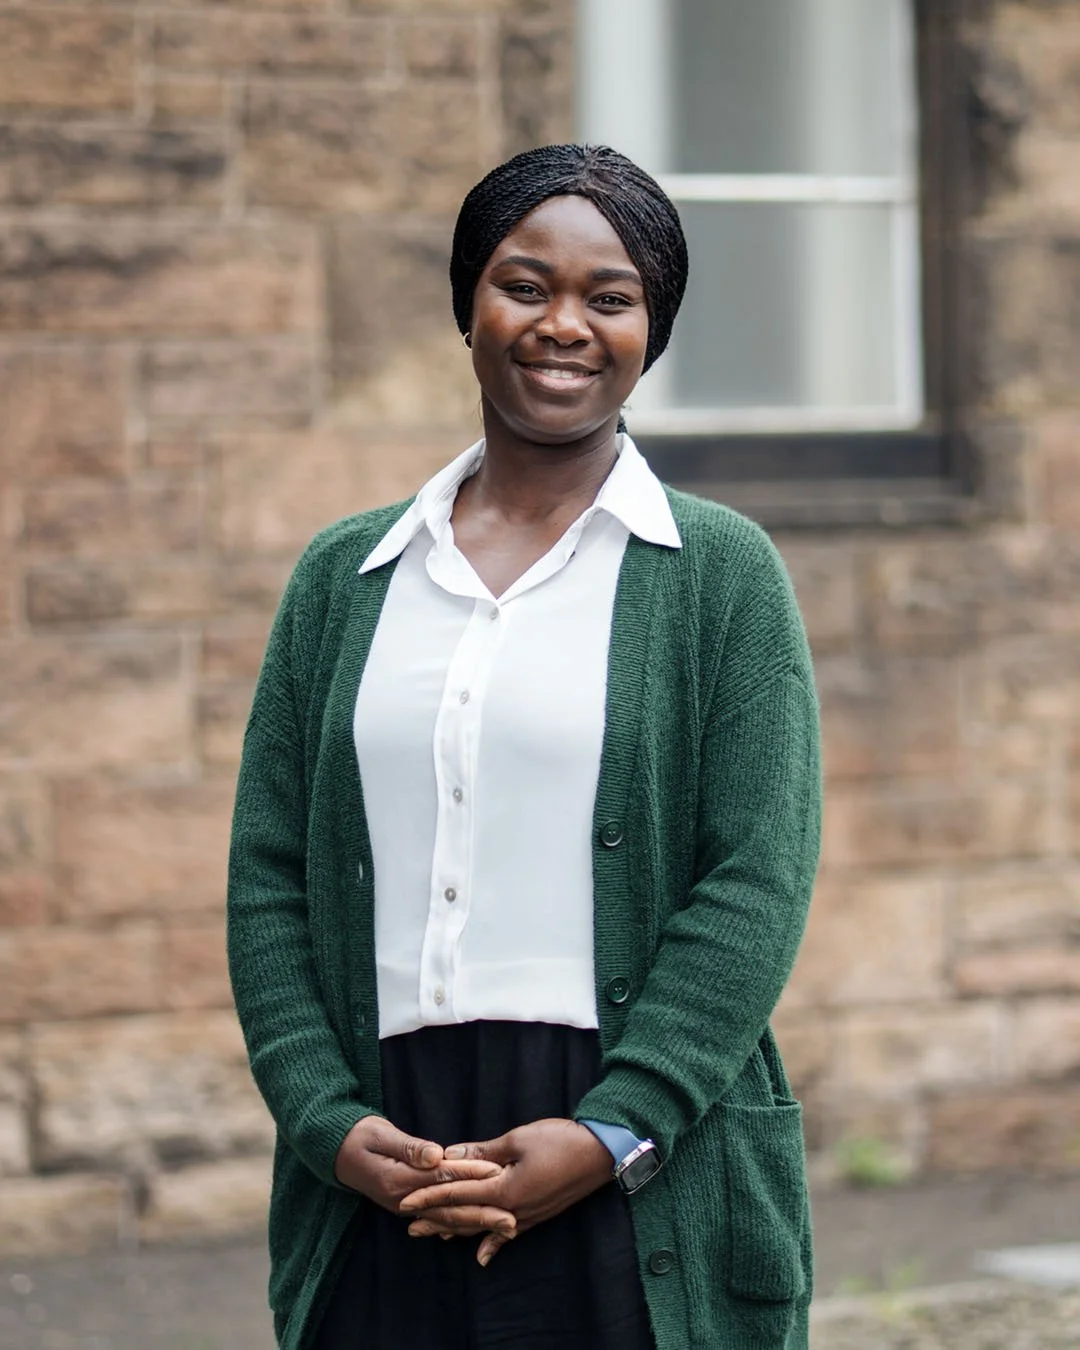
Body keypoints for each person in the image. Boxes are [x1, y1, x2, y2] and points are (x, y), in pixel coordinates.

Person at [228, 143, 822, 1350]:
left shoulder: (720, 578)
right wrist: (322, 1118)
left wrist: (616, 1127)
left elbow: (755, 878)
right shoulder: (346, 581)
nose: (564, 325)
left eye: (610, 298)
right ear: (467, 305)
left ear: (651, 331)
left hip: (630, 1151)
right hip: (383, 1159)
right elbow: (269, 872)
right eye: (523, 284)